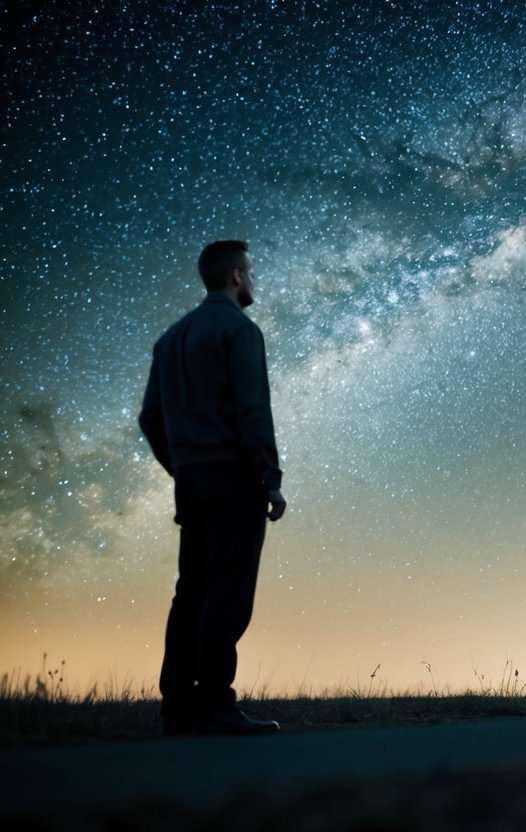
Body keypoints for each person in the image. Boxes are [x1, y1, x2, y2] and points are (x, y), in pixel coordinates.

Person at [139, 240, 286, 735]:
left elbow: (150, 418)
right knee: (228, 589)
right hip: (234, 477)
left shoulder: (170, 338)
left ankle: (178, 708)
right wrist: (270, 478)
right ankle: (218, 706)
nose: (254, 280)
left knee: (191, 592)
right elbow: (251, 409)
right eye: (252, 271)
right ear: (237, 277)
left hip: (193, 480)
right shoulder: (239, 330)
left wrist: (181, 467)